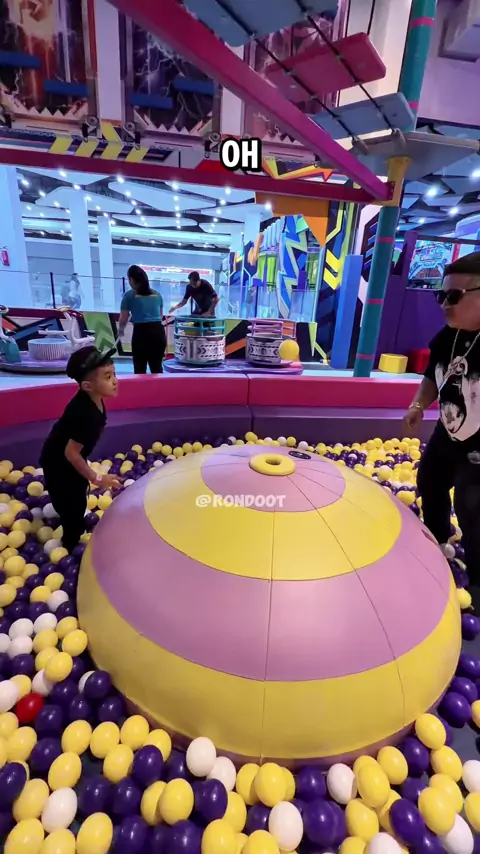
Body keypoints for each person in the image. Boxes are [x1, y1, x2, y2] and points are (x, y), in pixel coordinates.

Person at [402, 251, 480, 596]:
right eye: (441, 295)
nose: (445, 304)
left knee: (471, 506)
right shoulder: (446, 337)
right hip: (447, 435)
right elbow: (432, 377)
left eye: (454, 296)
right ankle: (436, 543)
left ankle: (476, 581)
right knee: (430, 483)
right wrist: (418, 405)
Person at [40, 345, 121, 553]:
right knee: (72, 506)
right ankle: (69, 546)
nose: (115, 381)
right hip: (59, 462)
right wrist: (97, 478)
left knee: (75, 494)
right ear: (87, 386)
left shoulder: (93, 399)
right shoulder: (85, 414)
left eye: (114, 374)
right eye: (107, 376)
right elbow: (71, 452)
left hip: (66, 457)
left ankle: (66, 511)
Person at [118, 265, 166, 374]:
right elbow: (160, 316)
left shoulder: (129, 296)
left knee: (139, 369)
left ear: (131, 279)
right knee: (157, 369)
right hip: (158, 333)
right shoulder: (157, 295)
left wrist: (121, 331)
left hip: (141, 334)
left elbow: (123, 318)